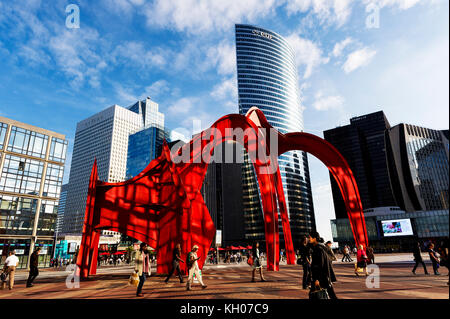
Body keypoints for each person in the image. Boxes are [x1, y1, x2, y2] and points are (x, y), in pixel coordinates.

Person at [309, 231, 337, 299]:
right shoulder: (322, 247)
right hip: (324, 276)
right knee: (331, 294)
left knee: (315, 295)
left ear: (314, 238)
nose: (309, 239)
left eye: (310, 237)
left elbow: (319, 265)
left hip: (321, 277)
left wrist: (316, 279)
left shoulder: (318, 249)